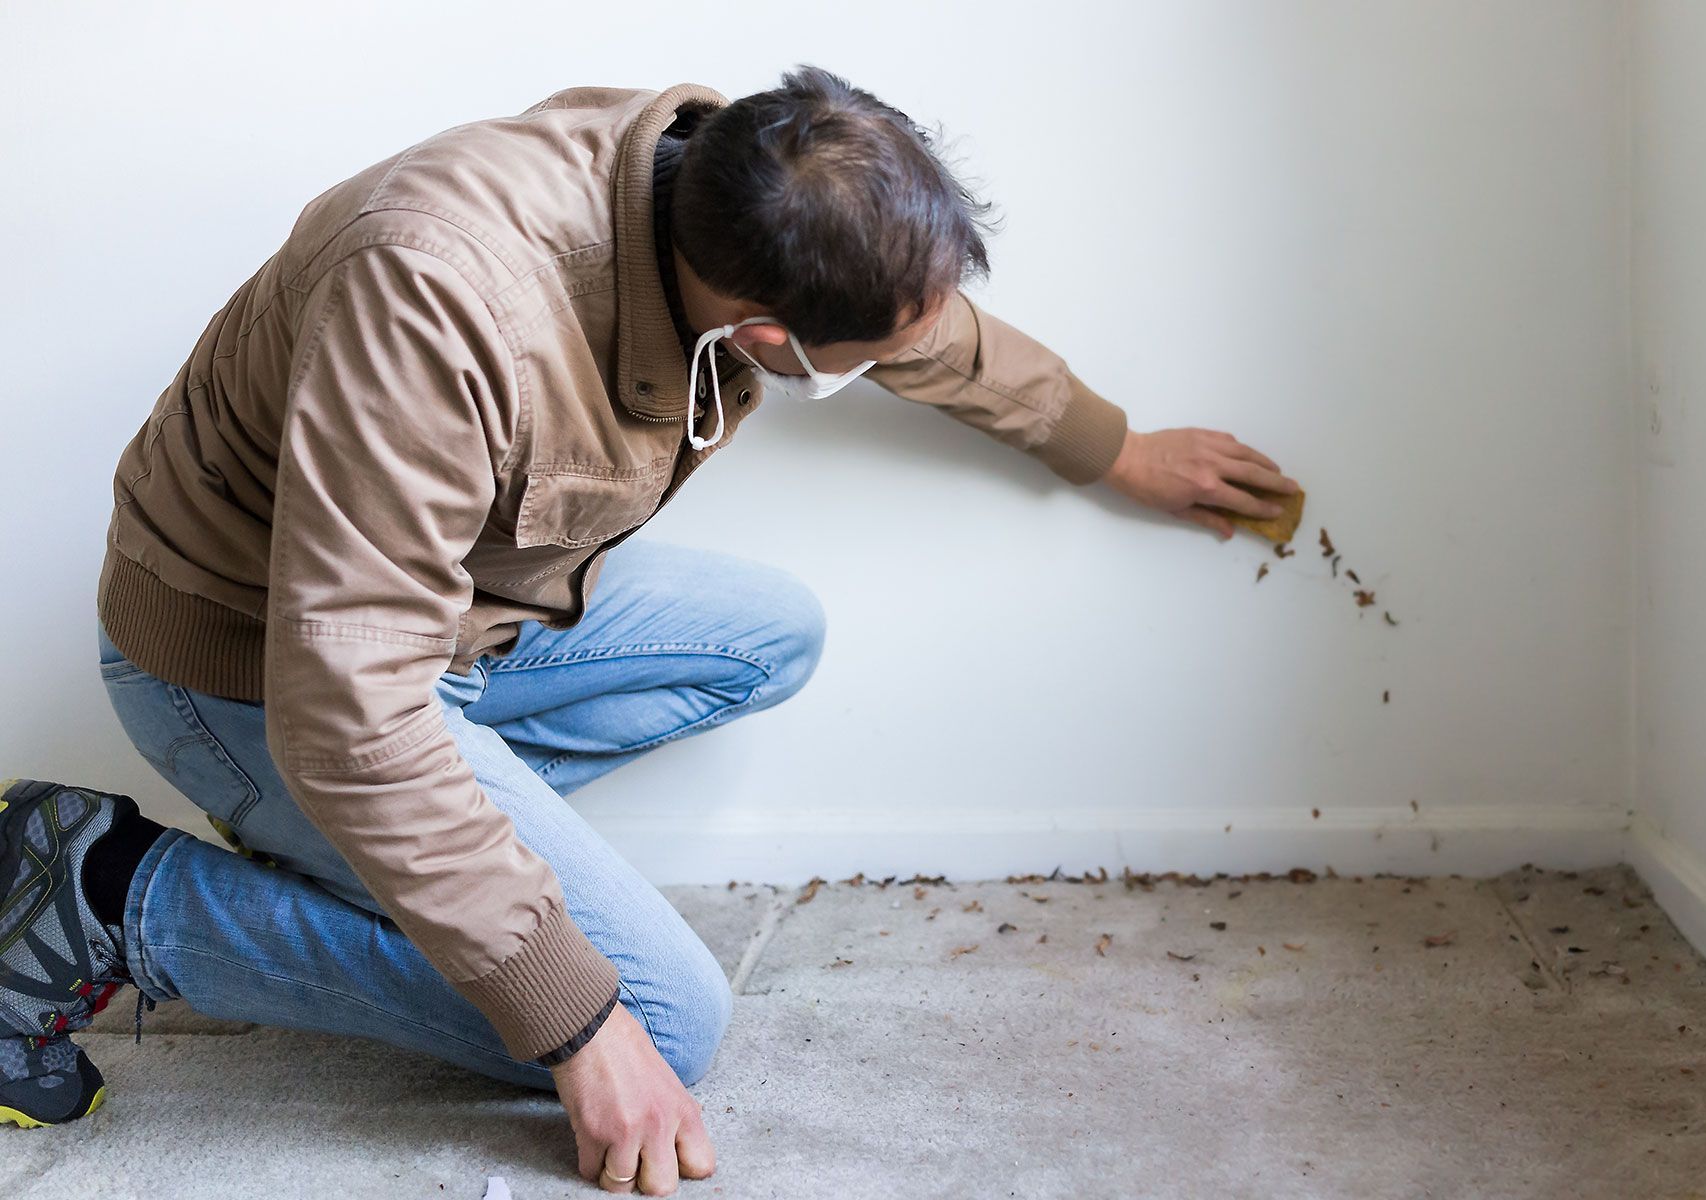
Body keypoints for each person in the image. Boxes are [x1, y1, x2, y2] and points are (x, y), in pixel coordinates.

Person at [0, 65, 1299, 1194]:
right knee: (662, 1022)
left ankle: (384, 872)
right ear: (763, 334)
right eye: (841, 362)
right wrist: (571, 1019)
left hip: (461, 622)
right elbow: (348, 708)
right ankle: (103, 896)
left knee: (763, 637)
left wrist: (1107, 446)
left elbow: (917, 326)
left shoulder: (747, 178)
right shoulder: (433, 297)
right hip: (252, 665)